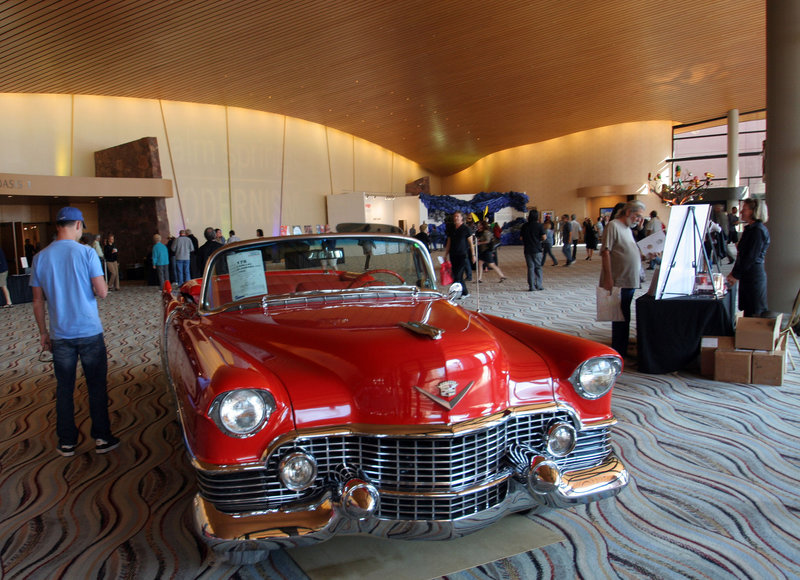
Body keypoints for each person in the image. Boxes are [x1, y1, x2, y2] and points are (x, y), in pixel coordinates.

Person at [30, 206, 118, 456]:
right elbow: (102, 292)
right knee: (96, 387)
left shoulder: (41, 257)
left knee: (64, 389)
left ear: (58, 226)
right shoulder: (87, 253)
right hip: (89, 331)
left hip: (60, 334)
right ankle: (102, 438)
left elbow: (38, 301)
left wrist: (43, 333)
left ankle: (66, 441)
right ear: (78, 225)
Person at [599, 200, 646, 357]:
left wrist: (645, 256)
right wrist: (608, 278)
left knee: (624, 316)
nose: (639, 220)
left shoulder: (627, 228)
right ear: (628, 212)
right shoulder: (613, 226)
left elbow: (627, 252)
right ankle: (619, 350)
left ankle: (622, 348)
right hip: (618, 279)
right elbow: (606, 252)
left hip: (629, 279)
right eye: (637, 216)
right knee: (619, 318)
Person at [726, 199, 770, 317]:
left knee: (754, 312)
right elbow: (742, 256)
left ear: (753, 211)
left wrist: (736, 275)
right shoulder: (751, 229)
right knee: (748, 310)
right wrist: (734, 273)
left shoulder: (757, 231)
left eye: (744, 209)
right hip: (748, 275)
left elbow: (750, 257)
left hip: (754, 276)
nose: (741, 212)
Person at [444, 211, 475, 297]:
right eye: (455, 216)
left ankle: (457, 292)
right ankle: (465, 292)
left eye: (457, 216)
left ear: (462, 218)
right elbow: (449, 243)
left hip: (462, 255)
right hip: (453, 255)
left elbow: (471, 244)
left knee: (458, 275)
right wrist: (446, 254)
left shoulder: (466, 229)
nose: (456, 218)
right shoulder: (451, 229)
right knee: (456, 275)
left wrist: (473, 255)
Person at [520, 209, 545, 290]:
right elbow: (544, 237)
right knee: (538, 267)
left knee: (530, 268)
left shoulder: (524, 226)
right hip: (537, 249)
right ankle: (539, 285)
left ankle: (531, 286)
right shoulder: (539, 226)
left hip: (527, 249)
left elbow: (521, 238)